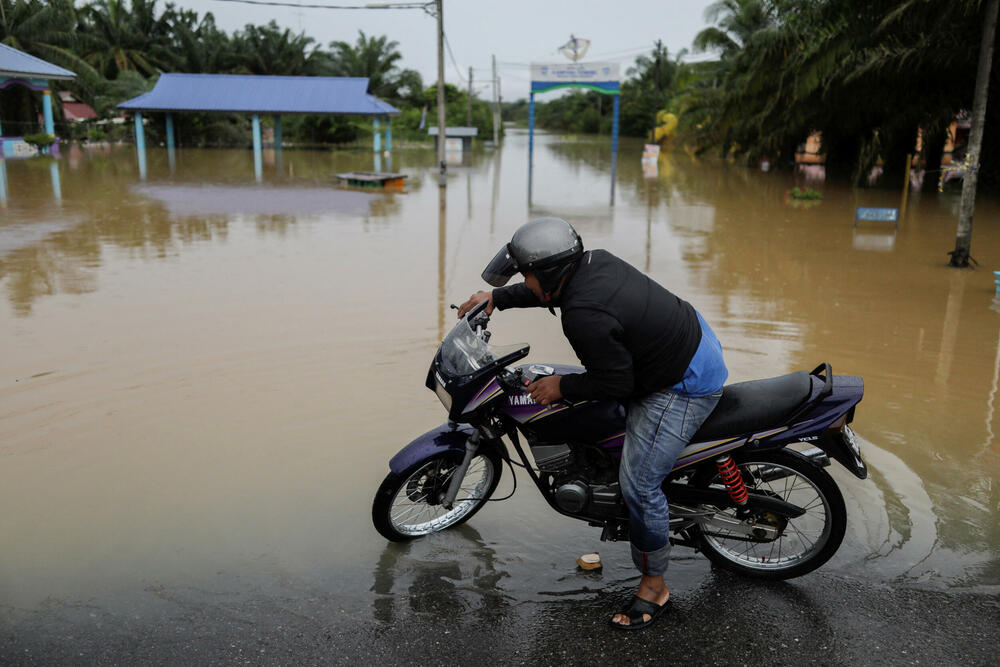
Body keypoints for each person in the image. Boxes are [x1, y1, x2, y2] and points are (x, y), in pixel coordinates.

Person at [457, 217, 727, 631]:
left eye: (527, 276)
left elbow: (616, 383)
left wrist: (562, 387)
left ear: (547, 274)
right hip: (692, 336)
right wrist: (496, 298)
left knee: (639, 482)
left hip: (685, 383)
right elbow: (552, 290)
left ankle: (654, 587)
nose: (526, 283)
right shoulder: (592, 262)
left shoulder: (582, 315)